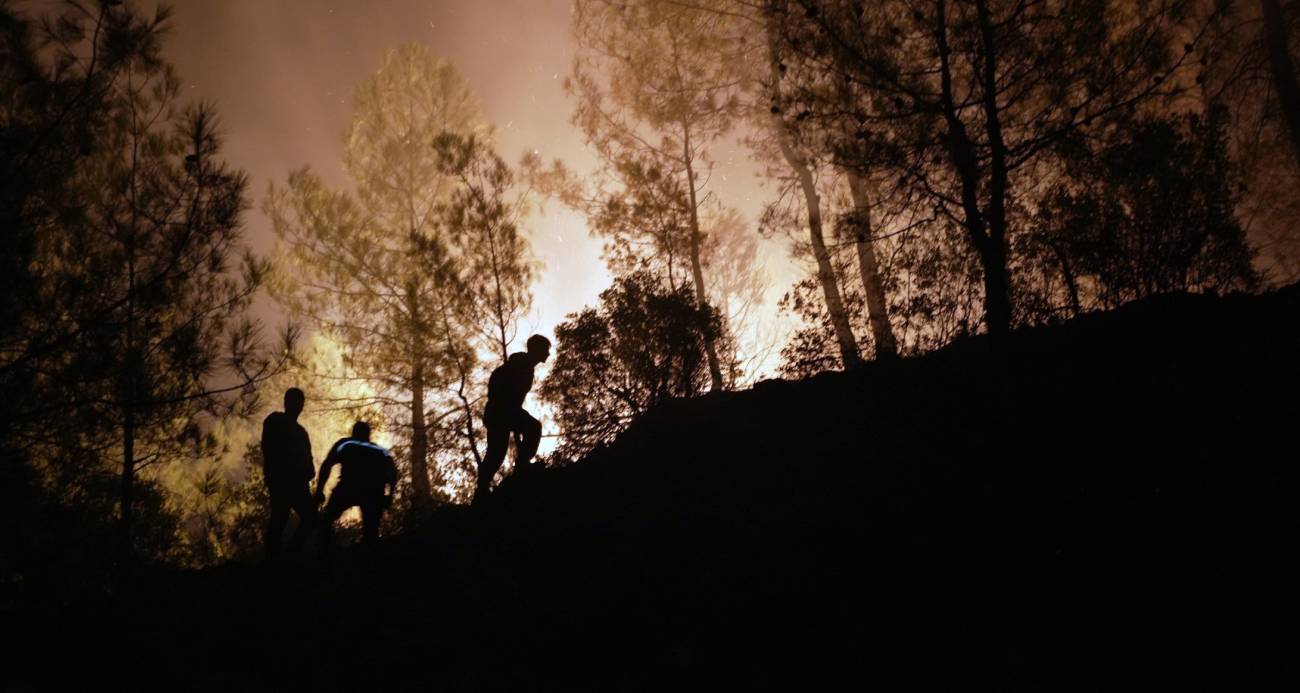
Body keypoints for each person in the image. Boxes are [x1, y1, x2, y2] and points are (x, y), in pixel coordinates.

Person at [474, 334, 551, 505]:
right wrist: (510, 412)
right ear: (536, 349)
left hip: (499, 412)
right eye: (546, 350)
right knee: (532, 429)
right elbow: (503, 392)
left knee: (496, 453)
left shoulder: (523, 366)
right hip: (501, 412)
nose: (548, 354)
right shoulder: (519, 366)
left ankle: (482, 490)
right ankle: (521, 467)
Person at [314, 421, 398, 551]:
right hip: (373, 492)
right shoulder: (381, 451)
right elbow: (393, 475)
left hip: (348, 488)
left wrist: (319, 490)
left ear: (353, 433)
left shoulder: (346, 444)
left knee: (327, 520)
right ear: (369, 435)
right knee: (371, 530)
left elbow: (327, 465)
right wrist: (390, 496)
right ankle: (368, 557)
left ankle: (324, 551)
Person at [261, 387, 317, 558]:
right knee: (279, 521)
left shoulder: (302, 433)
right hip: (281, 481)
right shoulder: (275, 420)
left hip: (299, 485)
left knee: (311, 519)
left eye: (299, 402)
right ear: (286, 402)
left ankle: (290, 555)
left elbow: (310, 464)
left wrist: (307, 473)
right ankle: (273, 562)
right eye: (293, 400)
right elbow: (268, 448)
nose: (297, 405)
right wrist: (275, 474)